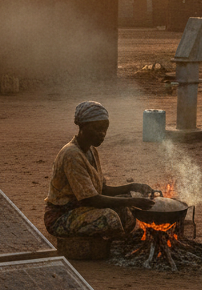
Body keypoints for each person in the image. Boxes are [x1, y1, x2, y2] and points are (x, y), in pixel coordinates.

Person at [44, 101, 155, 238]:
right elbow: (91, 199)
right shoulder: (71, 154)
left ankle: (116, 238)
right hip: (60, 217)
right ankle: (117, 241)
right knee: (109, 217)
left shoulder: (91, 150)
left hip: (81, 209)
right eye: (97, 128)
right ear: (82, 126)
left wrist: (132, 187)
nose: (102, 134)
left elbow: (102, 189)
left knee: (124, 207)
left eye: (105, 129)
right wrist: (131, 201)